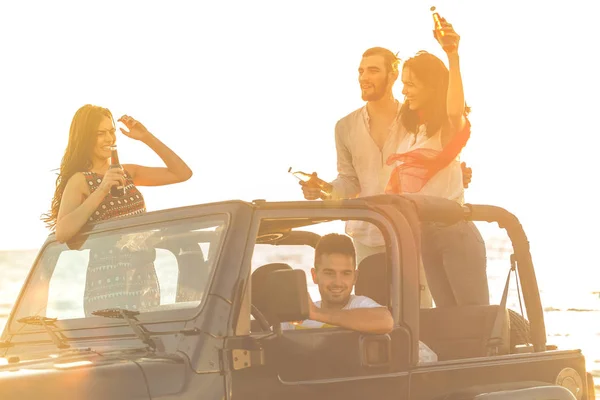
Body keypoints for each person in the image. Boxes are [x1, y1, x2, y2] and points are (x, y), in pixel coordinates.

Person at [42, 104, 193, 314]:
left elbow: (182, 173)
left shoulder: (127, 172)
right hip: (107, 288)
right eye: (100, 133)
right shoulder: (80, 181)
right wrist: (102, 189)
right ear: (85, 138)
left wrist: (146, 137)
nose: (109, 138)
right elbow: (62, 232)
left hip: (144, 280)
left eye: (111, 131)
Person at [384, 17, 489, 307]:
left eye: (411, 84)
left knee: (472, 320)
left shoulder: (447, 129)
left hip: (455, 233)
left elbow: (454, 108)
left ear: (432, 86)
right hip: (426, 234)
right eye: (403, 84)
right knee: (447, 321)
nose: (404, 91)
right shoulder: (412, 133)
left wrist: (452, 57)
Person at [281, 233, 437, 363]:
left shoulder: (360, 305)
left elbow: (385, 320)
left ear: (355, 277)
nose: (338, 282)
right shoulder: (299, 318)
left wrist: (316, 313)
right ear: (315, 276)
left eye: (346, 273)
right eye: (329, 273)